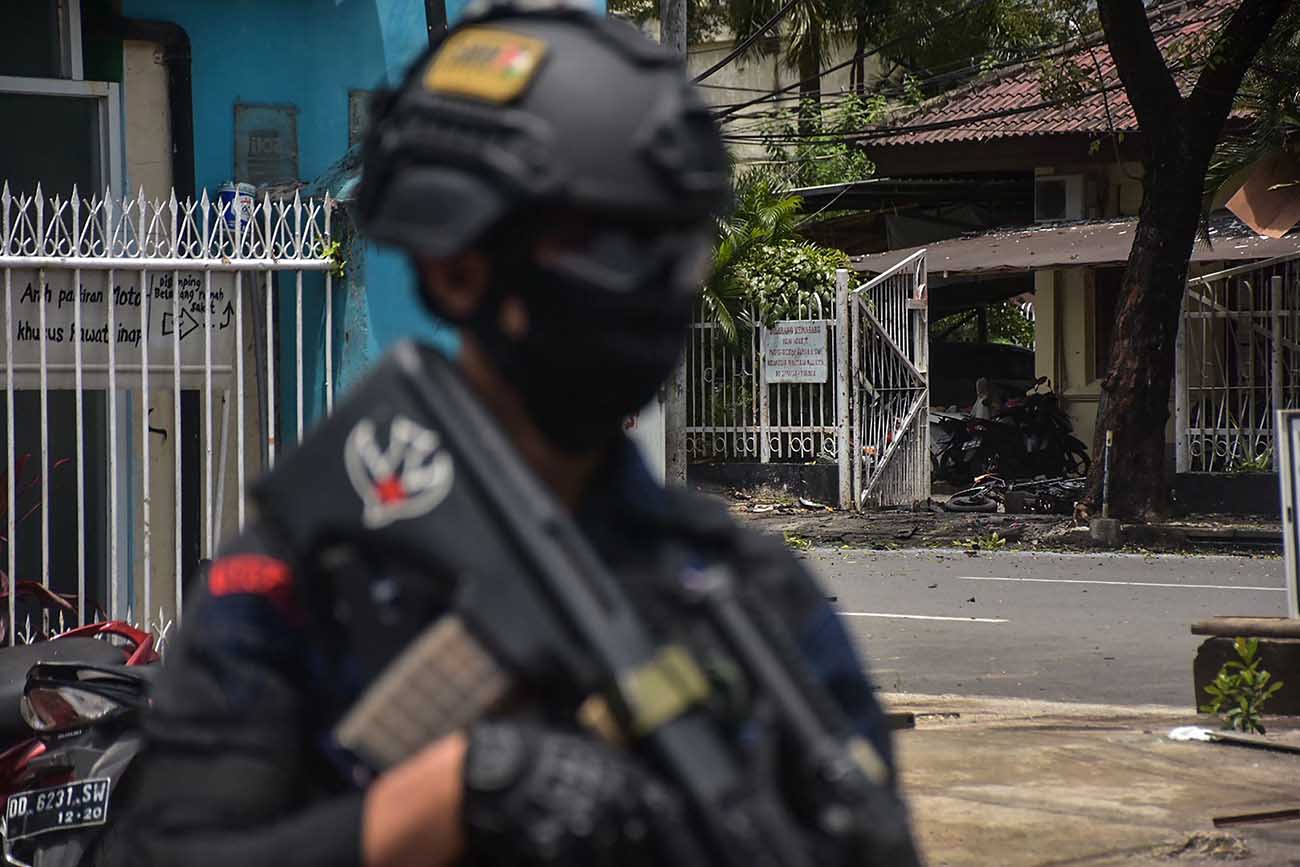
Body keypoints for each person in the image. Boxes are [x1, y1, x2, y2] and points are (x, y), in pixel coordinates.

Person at [95, 4, 905, 867]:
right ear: (456, 268)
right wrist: (448, 795)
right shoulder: (308, 582)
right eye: (603, 237)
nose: (655, 281)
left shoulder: (746, 594)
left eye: (674, 240)